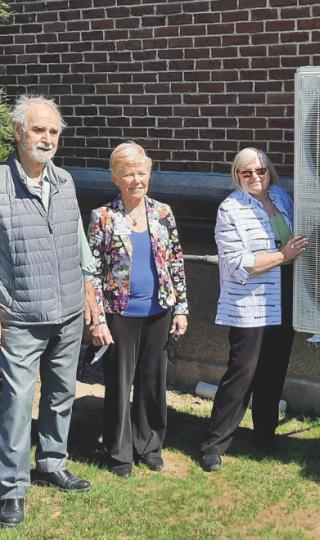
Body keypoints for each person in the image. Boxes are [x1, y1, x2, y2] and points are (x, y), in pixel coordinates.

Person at [0, 95, 100, 528]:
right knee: (18, 404)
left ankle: (53, 461)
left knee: (61, 394)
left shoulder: (66, 182)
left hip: (68, 311)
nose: (48, 138)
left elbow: (77, 239)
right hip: (20, 315)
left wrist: (89, 288)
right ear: (18, 131)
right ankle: (11, 488)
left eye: (54, 131)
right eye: (39, 129)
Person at [199, 147, 308, 472]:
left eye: (260, 171)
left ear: (269, 172)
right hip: (250, 303)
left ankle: (265, 436)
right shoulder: (230, 209)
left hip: (285, 295)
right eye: (246, 172)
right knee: (242, 372)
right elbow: (236, 264)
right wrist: (283, 256)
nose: (255, 177)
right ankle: (214, 444)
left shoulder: (280, 196)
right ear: (237, 176)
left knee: (274, 369)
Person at [87, 142, 188, 478]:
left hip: (159, 310)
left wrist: (182, 308)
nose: (136, 180)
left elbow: (175, 261)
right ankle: (119, 453)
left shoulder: (163, 213)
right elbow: (94, 274)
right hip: (121, 315)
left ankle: (149, 444)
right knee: (119, 383)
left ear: (150, 173)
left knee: (152, 381)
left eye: (141, 172)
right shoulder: (102, 217)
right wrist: (98, 319)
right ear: (116, 177)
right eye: (128, 174)